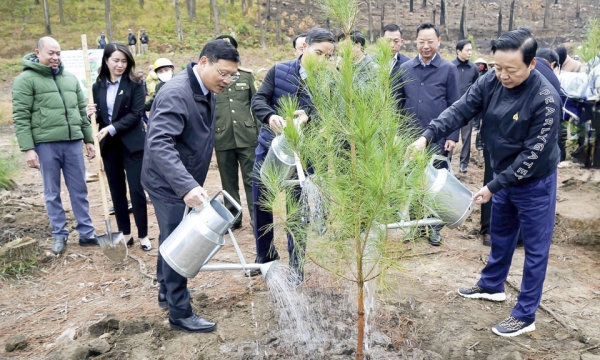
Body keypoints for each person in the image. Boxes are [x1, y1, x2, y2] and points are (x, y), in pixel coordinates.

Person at [410, 27, 561, 337]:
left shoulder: (546, 100)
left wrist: (493, 186)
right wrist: (427, 137)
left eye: (511, 69)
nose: (502, 75)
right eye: (497, 67)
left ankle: (525, 313)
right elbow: (461, 109)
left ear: (531, 65)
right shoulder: (491, 80)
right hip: (501, 171)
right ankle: (492, 284)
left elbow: (531, 156)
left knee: (535, 248)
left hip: (534, 182)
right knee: (500, 233)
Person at [141, 40, 241, 333]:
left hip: (181, 178)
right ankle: (179, 312)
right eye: (223, 73)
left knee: (170, 235)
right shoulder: (176, 93)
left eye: (233, 75)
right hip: (167, 182)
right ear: (204, 63)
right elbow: (159, 142)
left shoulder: (205, 88)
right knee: (179, 243)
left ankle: (165, 292)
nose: (228, 80)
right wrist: (185, 186)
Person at [249, 27, 336, 280]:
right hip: (270, 148)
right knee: (261, 204)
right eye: (318, 53)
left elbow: (331, 117)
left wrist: (312, 118)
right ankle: (264, 255)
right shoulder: (279, 71)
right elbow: (258, 101)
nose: (322, 60)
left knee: (297, 211)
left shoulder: (328, 80)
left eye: (328, 56)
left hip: (303, 156)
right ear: (305, 46)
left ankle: (297, 267)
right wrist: (270, 116)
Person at [12, 37, 99, 255]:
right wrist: (28, 149)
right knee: (52, 192)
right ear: (38, 52)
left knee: (79, 189)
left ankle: (87, 233)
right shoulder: (25, 80)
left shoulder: (70, 79)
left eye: (58, 53)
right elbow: (21, 117)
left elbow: (81, 112)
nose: (55, 57)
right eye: (51, 53)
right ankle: (59, 235)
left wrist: (88, 139)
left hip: (72, 143)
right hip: (45, 144)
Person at [398, 22, 460, 246]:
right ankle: (414, 226)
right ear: (415, 42)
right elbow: (397, 104)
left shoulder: (448, 69)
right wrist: (397, 134)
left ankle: (434, 227)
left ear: (439, 42)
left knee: (437, 185)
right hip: (411, 138)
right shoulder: (405, 69)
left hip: (438, 138)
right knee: (414, 183)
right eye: (421, 41)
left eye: (430, 41)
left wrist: (452, 136)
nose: (425, 46)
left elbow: (456, 105)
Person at [86, 43, 150, 251]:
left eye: (124, 61)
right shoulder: (97, 87)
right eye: (116, 60)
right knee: (117, 191)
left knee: (136, 190)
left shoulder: (136, 83)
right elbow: (99, 118)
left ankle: (143, 234)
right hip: (110, 147)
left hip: (132, 144)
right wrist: (89, 114)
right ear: (106, 61)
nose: (120, 65)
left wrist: (112, 128)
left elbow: (136, 113)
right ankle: (126, 233)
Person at [214, 35, 259, 231]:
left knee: (252, 179)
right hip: (222, 136)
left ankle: (257, 219)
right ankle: (234, 217)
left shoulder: (246, 76)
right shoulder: (211, 79)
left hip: (247, 136)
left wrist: (259, 132)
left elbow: (256, 105)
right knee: (228, 181)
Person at [452, 39, 479, 174]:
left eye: (471, 50)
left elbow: (476, 88)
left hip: (467, 108)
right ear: (458, 51)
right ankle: (448, 159)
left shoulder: (473, 68)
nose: (470, 52)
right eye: (467, 50)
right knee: (449, 134)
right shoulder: (450, 66)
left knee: (467, 136)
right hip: (451, 108)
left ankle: (464, 163)